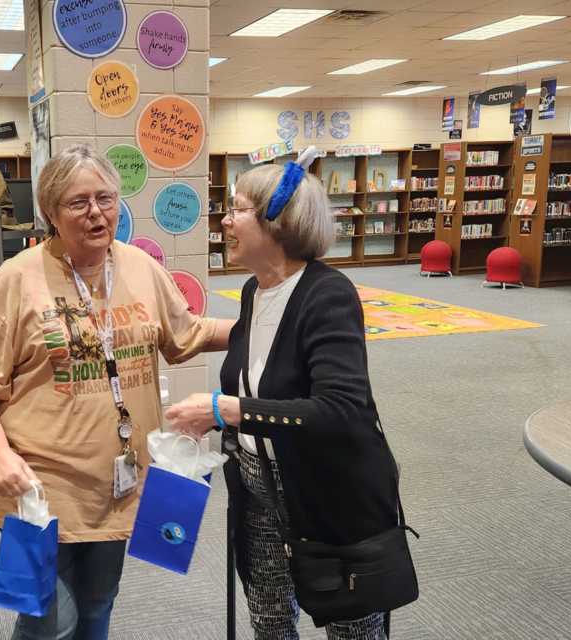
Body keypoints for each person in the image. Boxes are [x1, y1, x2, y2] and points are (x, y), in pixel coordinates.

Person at [0, 143, 234, 640]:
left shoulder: (140, 267)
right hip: (40, 487)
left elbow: (186, 334)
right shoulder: (14, 281)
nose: (96, 214)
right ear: (50, 214)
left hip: (119, 484)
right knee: (47, 622)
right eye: (78, 203)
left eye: (105, 198)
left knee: (99, 607)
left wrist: (272, 324)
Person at [167, 147, 408, 640]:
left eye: (235, 209)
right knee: (270, 620)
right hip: (258, 491)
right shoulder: (256, 291)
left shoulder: (329, 294)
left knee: (351, 625)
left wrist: (226, 410)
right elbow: (262, 370)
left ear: (276, 221)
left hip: (326, 491)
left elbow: (340, 410)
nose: (225, 220)